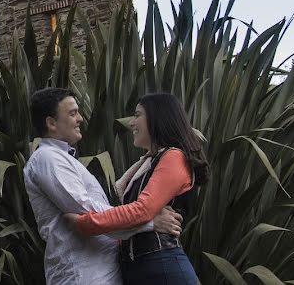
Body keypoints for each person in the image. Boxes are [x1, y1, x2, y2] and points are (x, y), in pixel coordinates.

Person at [23, 88, 183, 285]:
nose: (80, 118)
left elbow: (97, 217)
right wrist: (150, 224)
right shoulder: (47, 159)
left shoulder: (60, 158)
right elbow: (89, 212)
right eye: (72, 113)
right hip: (83, 275)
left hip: (96, 272)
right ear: (51, 123)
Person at [64, 92, 209, 285]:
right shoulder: (147, 164)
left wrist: (85, 224)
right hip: (141, 269)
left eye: (138, 115)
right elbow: (136, 216)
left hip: (163, 267)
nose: (131, 123)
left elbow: (142, 210)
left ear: (158, 117)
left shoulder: (174, 157)